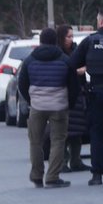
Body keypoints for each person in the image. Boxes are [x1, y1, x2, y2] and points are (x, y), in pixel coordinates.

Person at [17, 27, 78, 188]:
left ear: (41, 41)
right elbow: (74, 85)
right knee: (58, 141)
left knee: (35, 141)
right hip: (59, 106)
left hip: (37, 106)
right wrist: (69, 104)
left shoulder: (30, 60)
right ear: (55, 41)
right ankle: (52, 176)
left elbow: (22, 84)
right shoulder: (65, 60)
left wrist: (31, 100)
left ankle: (36, 175)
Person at [69, 6, 103, 186]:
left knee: (96, 133)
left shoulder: (89, 41)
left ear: (100, 22)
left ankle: (96, 175)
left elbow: (71, 64)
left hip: (96, 91)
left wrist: (80, 83)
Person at [56, 24, 90, 173]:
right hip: (63, 95)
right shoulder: (58, 53)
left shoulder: (77, 50)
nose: (71, 39)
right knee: (64, 131)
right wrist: (77, 72)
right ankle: (63, 161)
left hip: (78, 93)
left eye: (72, 36)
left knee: (77, 130)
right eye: (68, 36)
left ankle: (76, 160)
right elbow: (61, 72)